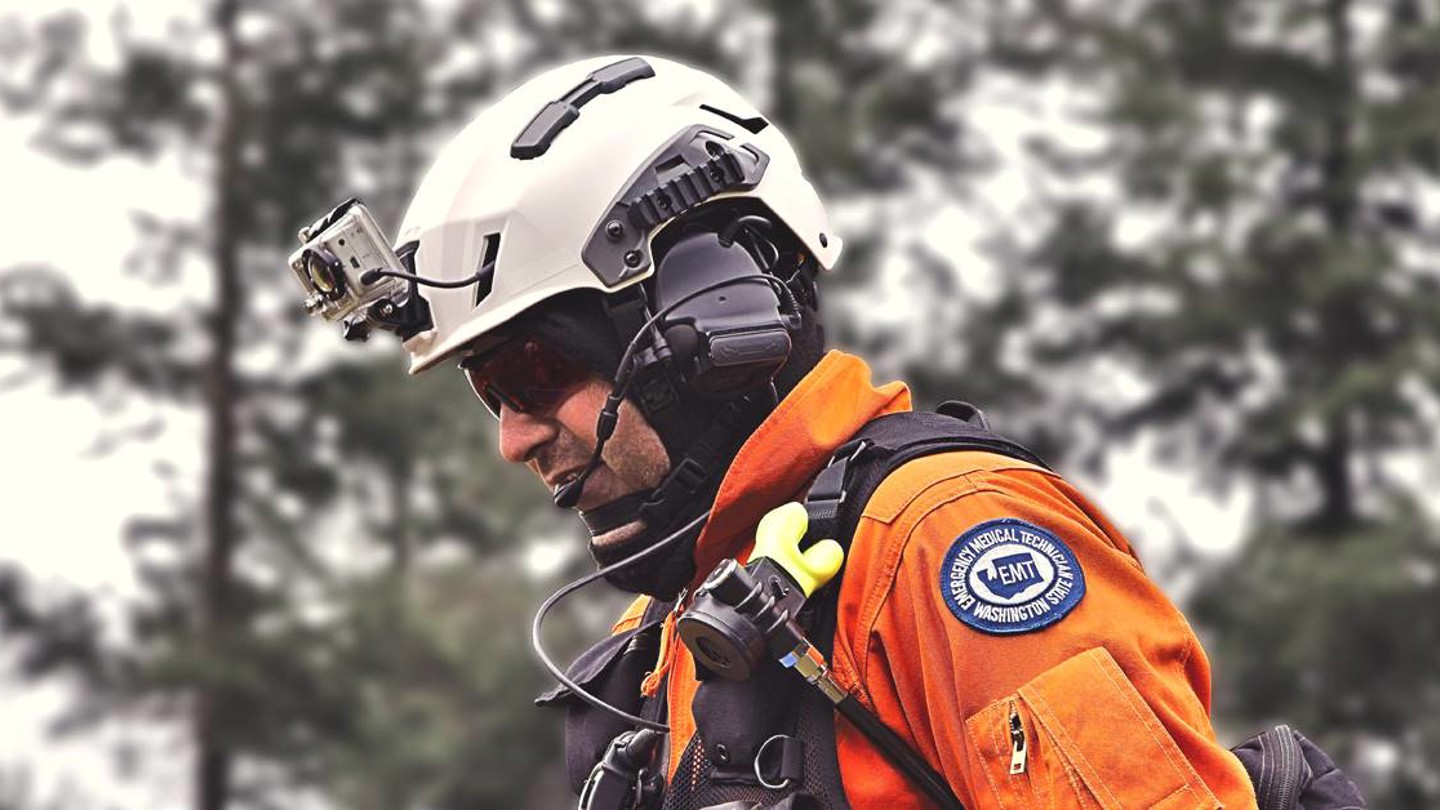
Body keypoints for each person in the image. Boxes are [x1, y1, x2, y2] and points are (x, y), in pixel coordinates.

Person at [293, 55, 1362, 809]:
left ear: (709, 320)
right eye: (491, 392)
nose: (515, 439)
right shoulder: (670, 646)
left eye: (535, 372)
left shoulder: (950, 547)